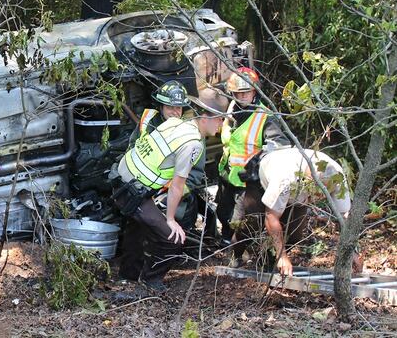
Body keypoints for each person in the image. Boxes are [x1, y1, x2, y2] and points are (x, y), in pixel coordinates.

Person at [112, 91, 227, 290]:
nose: (221, 125)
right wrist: (170, 219)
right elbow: (177, 185)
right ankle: (150, 283)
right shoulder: (192, 144)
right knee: (173, 238)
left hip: (122, 178)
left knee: (137, 227)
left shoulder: (176, 123)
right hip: (133, 191)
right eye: (219, 120)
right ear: (206, 117)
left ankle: (128, 276)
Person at [231, 147, 362, 275]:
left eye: (322, 193)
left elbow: (344, 217)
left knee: (294, 235)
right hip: (263, 182)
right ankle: (236, 255)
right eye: (315, 191)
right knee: (252, 226)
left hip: (297, 194)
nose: (317, 196)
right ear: (307, 180)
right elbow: (271, 217)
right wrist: (282, 255)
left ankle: (267, 262)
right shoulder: (284, 178)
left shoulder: (337, 178)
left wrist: (352, 251)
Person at [216, 67, 289, 243]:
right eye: (237, 93)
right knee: (223, 213)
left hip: (248, 181)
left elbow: (281, 144)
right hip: (227, 175)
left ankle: (241, 250)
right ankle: (225, 242)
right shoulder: (232, 109)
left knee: (240, 222)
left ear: (254, 90)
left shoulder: (265, 117)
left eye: (246, 92)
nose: (241, 97)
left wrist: (258, 160)